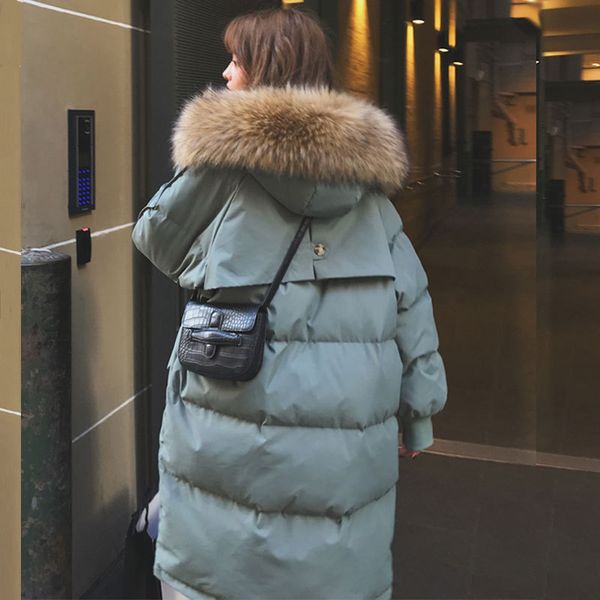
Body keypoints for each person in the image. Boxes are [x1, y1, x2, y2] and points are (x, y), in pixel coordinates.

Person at [132, 7, 447, 600]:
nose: (225, 76)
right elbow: (414, 303)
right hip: (345, 443)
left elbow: (156, 239)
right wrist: (419, 412)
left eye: (237, 62)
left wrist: (215, 144)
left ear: (265, 71)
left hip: (232, 421)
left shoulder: (227, 175)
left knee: (217, 564)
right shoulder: (372, 200)